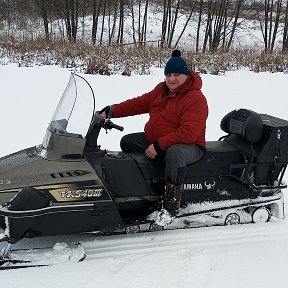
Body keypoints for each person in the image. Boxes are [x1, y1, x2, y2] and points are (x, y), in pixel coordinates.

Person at [100, 50, 208, 214]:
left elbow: (188, 133)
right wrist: (111, 111)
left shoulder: (195, 99)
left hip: (189, 146)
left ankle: (172, 200)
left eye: (176, 74)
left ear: (186, 75)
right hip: (158, 140)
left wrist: (158, 146)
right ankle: (146, 182)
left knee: (174, 153)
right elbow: (139, 103)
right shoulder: (161, 89)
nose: (171, 79)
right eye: (168, 74)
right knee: (127, 141)